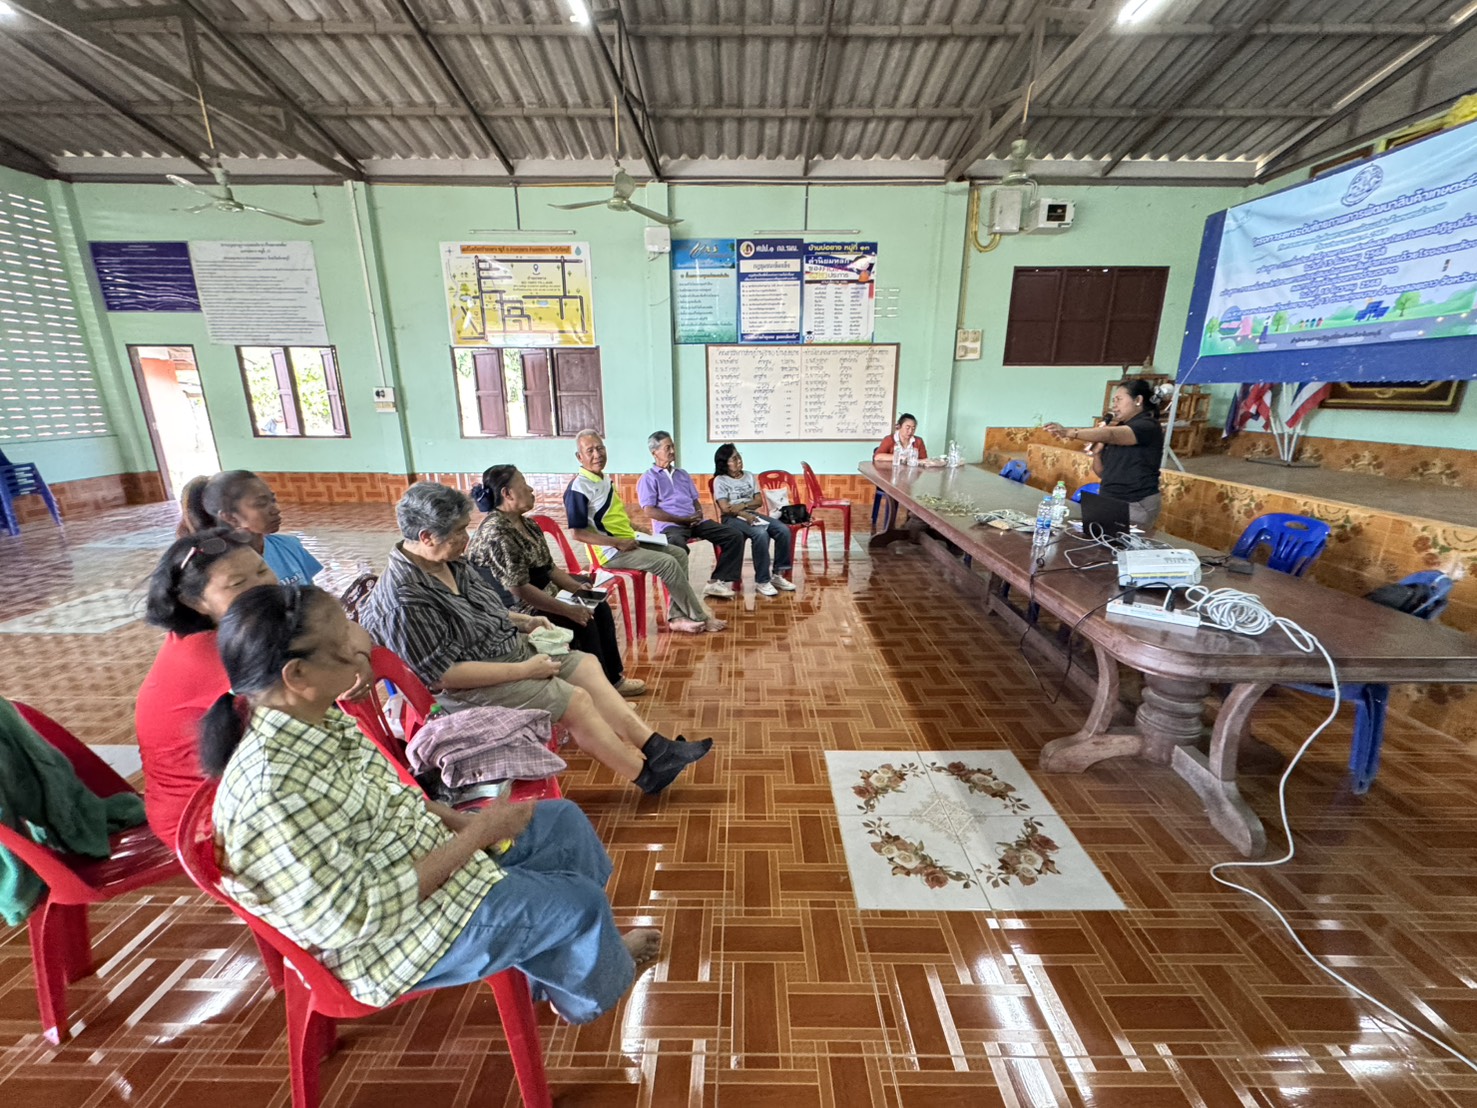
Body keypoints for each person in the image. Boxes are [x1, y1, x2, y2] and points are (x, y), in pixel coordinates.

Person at [202, 582, 662, 1022]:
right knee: (579, 904)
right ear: (297, 674)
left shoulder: (321, 720)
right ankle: (584, 987)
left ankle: (560, 966)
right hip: (387, 940)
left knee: (562, 824)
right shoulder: (274, 793)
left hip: (421, 865)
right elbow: (358, 916)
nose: (362, 645)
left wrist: (464, 827)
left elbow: (400, 797)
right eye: (344, 639)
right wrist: (477, 836)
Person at [359, 482, 711, 796]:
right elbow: (444, 676)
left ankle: (657, 748)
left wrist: (525, 621)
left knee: (586, 664)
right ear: (426, 537)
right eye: (458, 533)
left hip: (504, 655)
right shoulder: (405, 598)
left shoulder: (448, 562)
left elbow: (482, 610)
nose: (466, 540)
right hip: (467, 690)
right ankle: (647, 775)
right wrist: (526, 669)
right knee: (575, 702)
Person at [134, 528, 373, 850]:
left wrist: (357, 653)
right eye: (237, 583)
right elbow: (334, 673)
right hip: (204, 819)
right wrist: (350, 657)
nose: (261, 586)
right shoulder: (220, 655)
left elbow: (346, 630)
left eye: (262, 570)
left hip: (238, 792)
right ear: (195, 602)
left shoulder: (243, 630)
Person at [467, 464, 646, 698]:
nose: (531, 490)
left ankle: (613, 680)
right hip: (518, 606)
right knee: (582, 621)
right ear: (507, 494)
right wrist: (568, 610)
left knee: (597, 605)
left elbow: (548, 568)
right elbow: (519, 589)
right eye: (524, 484)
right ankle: (598, 693)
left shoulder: (528, 524)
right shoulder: (497, 533)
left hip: (542, 589)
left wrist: (576, 587)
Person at [563, 430, 725, 634]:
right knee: (667, 563)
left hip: (628, 540)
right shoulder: (578, 487)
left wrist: (634, 527)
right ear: (580, 457)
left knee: (679, 553)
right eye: (590, 450)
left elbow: (611, 517)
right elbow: (577, 533)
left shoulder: (604, 480)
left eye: (600, 448)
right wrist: (617, 543)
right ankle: (700, 616)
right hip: (609, 553)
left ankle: (677, 617)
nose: (597, 454)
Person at [1044, 379, 1165, 534]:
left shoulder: (1147, 426)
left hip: (1136, 502)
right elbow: (1102, 472)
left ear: (1138, 400)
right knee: (1102, 548)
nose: (1114, 405)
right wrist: (1097, 453)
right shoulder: (1119, 428)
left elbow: (1111, 434)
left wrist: (1070, 432)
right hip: (1109, 498)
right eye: (1114, 400)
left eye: (1119, 400)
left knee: (1125, 550)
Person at [637, 432, 747, 602]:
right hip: (670, 526)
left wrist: (698, 513)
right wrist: (680, 520)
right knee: (677, 546)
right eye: (668, 447)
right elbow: (649, 510)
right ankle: (681, 593)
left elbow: (695, 499)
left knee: (734, 535)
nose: (673, 450)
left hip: (694, 522)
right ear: (654, 452)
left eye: (673, 446)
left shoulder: (682, 474)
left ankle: (717, 581)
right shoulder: (649, 478)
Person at [179, 471, 324, 587]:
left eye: (273, 500)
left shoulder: (289, 545)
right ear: (230, 517)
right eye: (261, 504)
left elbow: (312, 596)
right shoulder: (218, 565)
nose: (276, 510)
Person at [711, 444, 795, 597]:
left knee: (783, 530)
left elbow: (758, 502)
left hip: (750, 513)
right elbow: (725, 509)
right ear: (724, 463)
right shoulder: (720, 480)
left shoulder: (749, 475)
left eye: (739, 457)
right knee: (761, 534)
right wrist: (743, 514)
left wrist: (741, 506)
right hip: (731, 519)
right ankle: (762, 581)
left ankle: (777, 575)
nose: (739, 461)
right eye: (734, 458)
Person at [872, 413, 943, 467]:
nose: (910, 431)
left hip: (911, 476)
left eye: (913, 428)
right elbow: (877, 456)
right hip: (890, 475)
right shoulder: (889, 439)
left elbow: (924, 460)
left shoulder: (918, 441)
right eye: (907, 428)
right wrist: (901, 457)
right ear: (899, 427)